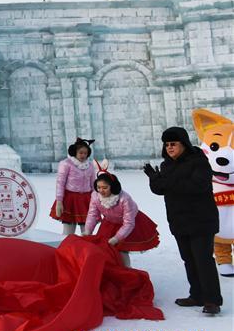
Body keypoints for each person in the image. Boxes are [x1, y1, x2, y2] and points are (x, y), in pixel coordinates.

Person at [144, 127, 223, 315]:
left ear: (184, 144)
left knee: (203, 260)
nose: (169, 148)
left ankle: (212, 300)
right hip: (179, 221)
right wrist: (154, 179)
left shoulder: (199, 161)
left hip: (201, 220)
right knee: (189, 259)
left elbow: (197, 186)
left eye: (173, 144)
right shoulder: (166, 165)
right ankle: (196, 295)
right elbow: (159, 189)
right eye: (167, 144)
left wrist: (167, 182)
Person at [83, 170, 159, 267]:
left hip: (128, 224)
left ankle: (126, 270)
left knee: (122, 249)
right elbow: (92, 214)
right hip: (109, 223)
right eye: (98, 187)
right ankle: (110, 269)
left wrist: (117, 238)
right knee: (103, 247)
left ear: (113, 187)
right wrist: (88, 230)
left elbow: (128, 223)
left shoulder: (125, 199)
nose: (101, 191)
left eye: (105, 188)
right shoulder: (95, 196)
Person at [50, 138, 97, 235]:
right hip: (70, 200)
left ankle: (86, 249)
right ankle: (66, 249)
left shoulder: (90, 165)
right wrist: (59, 201)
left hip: (86, 200)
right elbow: (60, 183)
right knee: (68, 233)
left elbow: (93, 184)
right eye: (81, 152)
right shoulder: (66, 164)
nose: (83, 155)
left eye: (85, 153)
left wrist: (97, 200)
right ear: (75, 152)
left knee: (87, 232)